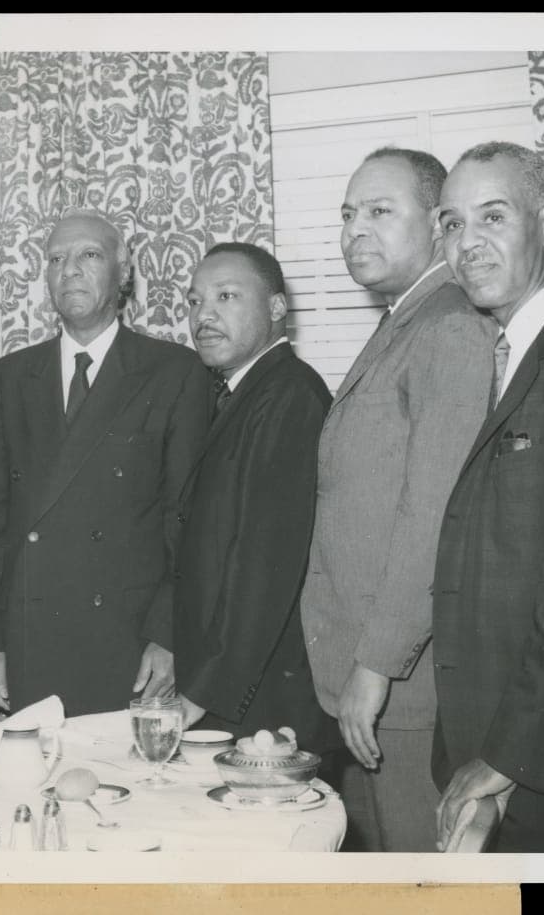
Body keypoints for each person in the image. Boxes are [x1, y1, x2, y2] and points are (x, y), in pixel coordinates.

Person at [299, 148, 497, 851]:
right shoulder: (404, 321)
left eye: (380, 211)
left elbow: (432, 519)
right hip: (367, 679)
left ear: (440, 224)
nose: (355, 229)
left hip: (402, 687)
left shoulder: (450, 326)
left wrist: (376, 665)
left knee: (417, 874)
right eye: (348, 214)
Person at [0, 210, 212, 717]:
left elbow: (187, 525)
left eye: (89, 255)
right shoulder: (7, 378)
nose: (70, 270)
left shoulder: (174, 371)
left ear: (124, 273)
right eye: (56, 259)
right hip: (31, 636)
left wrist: (168, 634)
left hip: (128, 639)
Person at [432, 142, 544, 852]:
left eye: (492, 216)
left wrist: (510, 756)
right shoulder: (504, 351)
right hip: (490, 737)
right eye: (451, 223)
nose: (466, 242)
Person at [174, 243, 337, 751]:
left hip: (258, 693)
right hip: (233, 681)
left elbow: (263, 563)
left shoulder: (290, 395)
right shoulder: (239, 392)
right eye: (195, 301)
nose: (204, 316)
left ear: (277, 307)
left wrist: (205, 689)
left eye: (226, 296)